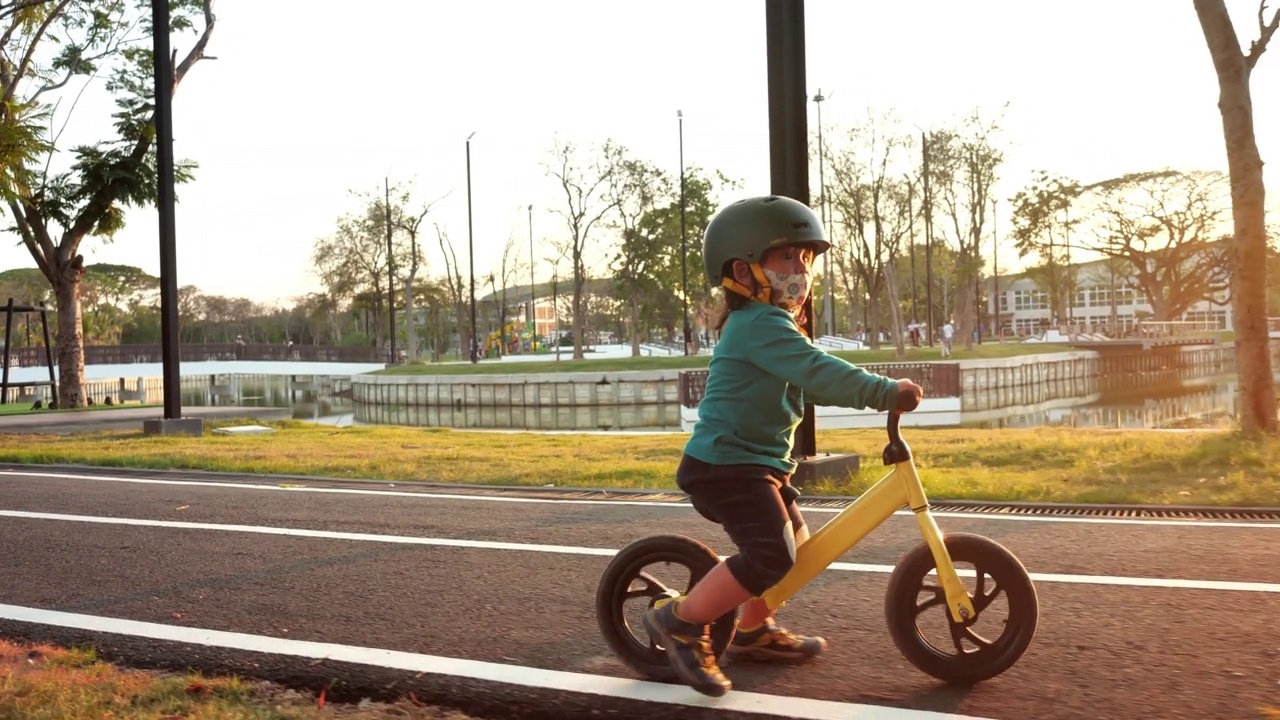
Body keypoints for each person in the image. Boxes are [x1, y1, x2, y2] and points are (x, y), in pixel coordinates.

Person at [643, 195, 923, 698]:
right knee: (772, 554)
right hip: (726, 465)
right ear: (742, 269)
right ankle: (681, 621)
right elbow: (819, 370)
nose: (800, 269)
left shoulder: (768, 325)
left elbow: (806, 384)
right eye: (785, 257)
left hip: (756, 465)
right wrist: (884, 391)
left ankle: (750, 628)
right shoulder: (758, 324)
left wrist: (864, 397)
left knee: (794, 542)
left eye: (806, 258)